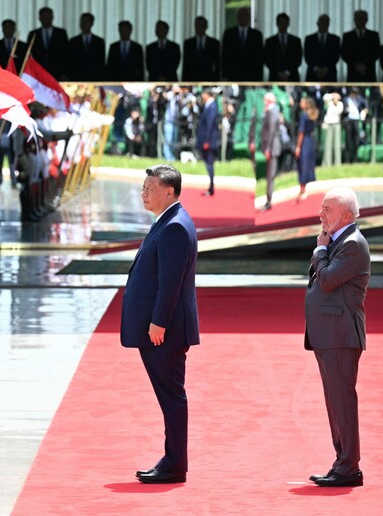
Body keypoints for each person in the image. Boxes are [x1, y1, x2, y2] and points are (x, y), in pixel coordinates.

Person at [121, 164, 199, 484]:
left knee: (171, 397)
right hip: (159, 329)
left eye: (149, 189)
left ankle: (174, 464)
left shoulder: (174, 227)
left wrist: (158, 323)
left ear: (169, 192)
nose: (143, 193)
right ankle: (172, 460)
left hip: (163, 332)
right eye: (143, 188)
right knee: (169, 397)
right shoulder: (165, 221)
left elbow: (171, 283)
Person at [305, 187, 369, 488]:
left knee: (342, 401)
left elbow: (328, 279)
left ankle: (348, 466)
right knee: (335, 402)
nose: (321, 214)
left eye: (327, 209)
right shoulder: (338, 240)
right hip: (329, 334)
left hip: (341, 335)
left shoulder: (352, 244)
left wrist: (320, 250)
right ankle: (342, 463)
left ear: (346, 214)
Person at [221, 7, 263, 81]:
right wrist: (225, 76)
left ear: (249, 17)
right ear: (237, 17)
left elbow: (260, 58)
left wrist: (259, 77)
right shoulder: (228, 34)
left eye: (245, 15)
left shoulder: (257, 35)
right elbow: (224, 56)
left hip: (252, 75)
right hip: (233, 75)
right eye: (240, 15)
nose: (243, 18)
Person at [28, 7, 69, 80]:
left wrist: (64, 73)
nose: (46, 19)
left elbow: (66, 54)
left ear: (52, 17)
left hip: (57, 71)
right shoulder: (33, 34)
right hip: (38, 72)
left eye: (48, 17)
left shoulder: (61, 33)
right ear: (40, 18)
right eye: (43, 17)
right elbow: (29, 55)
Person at [341, 10, 380, 82]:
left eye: (362, 18)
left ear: (366, 20)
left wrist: (365, 66)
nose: (360, 21)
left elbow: (376, 53)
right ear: (354, 20)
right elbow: (344, 53)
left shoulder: (374, 36)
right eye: (358, 18)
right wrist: (356, 65)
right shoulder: (347, 36)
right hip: (353, 73)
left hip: (369, 72)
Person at [264, 13, 303, 82]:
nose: (282, 25)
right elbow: (267, 60)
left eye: (285, 22)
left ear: (288, 24)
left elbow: (298, 59)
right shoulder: (269, 41)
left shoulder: (296, 41)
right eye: (280, 22)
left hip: (292, 77)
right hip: (275, 77)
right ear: (277, 23)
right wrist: (278, 73)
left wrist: (287, 73)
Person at [67, 13, 106, 81]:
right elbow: (70, 61)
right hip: (77, 77)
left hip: (94, 78)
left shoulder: (99, 42)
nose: (83, 24)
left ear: (91, 23)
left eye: (86, 21)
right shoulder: (73, 41)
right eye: (82, 21)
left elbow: (101, 62)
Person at [260, 92, 282, 211]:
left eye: (265, 99)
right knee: (269, 175)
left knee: (270, 175)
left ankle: (269, 201)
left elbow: (271, 131)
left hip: (272, 148)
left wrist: (268, 148)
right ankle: (268, 200)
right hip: (270, 147)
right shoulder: (270, 111)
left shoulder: (272, 111)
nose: (263, 101)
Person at [304, 14, 341, 82]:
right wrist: (316, 69)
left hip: (330, 75)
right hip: (313, 74)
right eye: (322, 21)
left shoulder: (335, 39)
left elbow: (336, 56)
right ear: (317, 23)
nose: (324, 24)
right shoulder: (309, 39)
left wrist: (326, 69)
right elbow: (307, 56)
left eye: (326, 22)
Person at [182, 16, 220, 82]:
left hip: (209, 78)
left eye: (201, 26)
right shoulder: (188, 43)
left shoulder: (214, 43)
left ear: (206, 27)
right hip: (192, 78)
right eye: (197, 25)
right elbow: (186, 64)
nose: (199, 28)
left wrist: (217, 80)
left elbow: (217, 64)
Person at [196, 89, 219, 196]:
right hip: (206, 139)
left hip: (208, 140)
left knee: (209, 162)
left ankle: (211, 187)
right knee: (207, 162)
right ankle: (211, 187)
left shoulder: (212, 106)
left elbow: (210, 125)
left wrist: (207, 141)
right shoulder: (207, 105)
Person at [295, 97, 318, 201]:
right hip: (311, 141)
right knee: (308, 164)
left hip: (304, 142)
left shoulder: (304, 115)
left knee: (302, 165)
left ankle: (302, 190)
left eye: (302, 102)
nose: (300, 103)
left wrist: (298, 147)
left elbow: (301, 132)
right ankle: (306, 188)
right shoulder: (313, 114)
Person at [321, 92, 343, 166]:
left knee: (337, 144)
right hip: (328, 124)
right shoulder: (329, 102)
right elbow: (325, 97)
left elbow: (338, 111)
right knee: (328, 144)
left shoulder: (340, 104)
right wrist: (332, 95)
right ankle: (327, 163)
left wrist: (334, 103)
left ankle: (337, 163)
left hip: (336, 124)